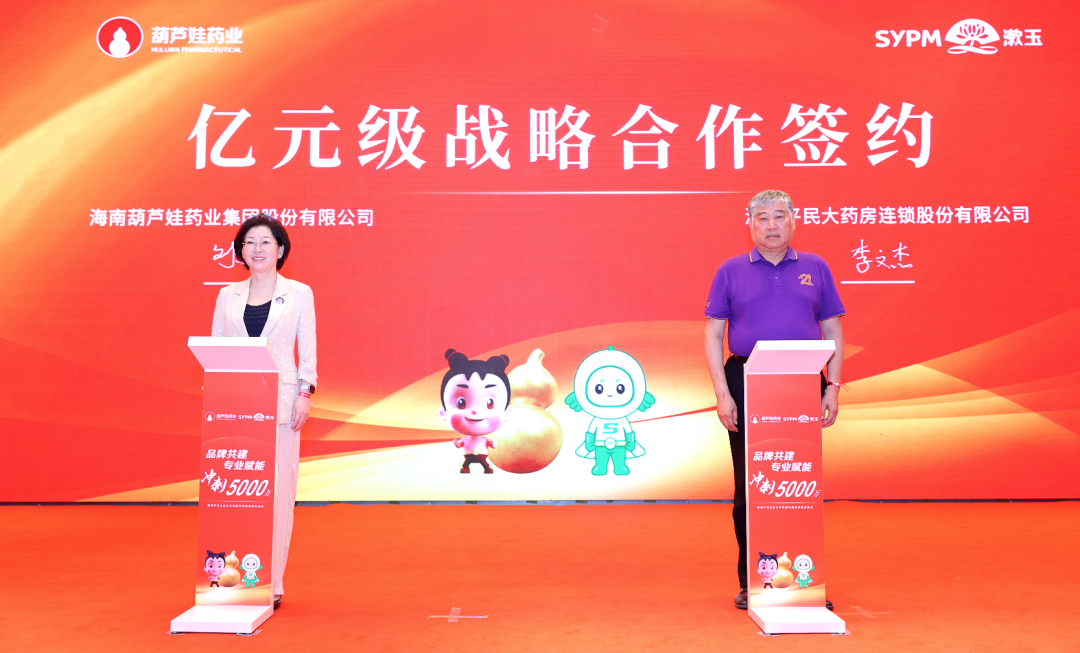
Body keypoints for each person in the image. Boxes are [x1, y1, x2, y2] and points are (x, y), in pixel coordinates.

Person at [703, 190, 844, 610]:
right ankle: (754, 580)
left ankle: (802, 580)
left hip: (802, 380)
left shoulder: (816, 267)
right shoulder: (730, 270)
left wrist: (832, 386)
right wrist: (723, 393)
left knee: (797, 481)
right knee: (751, 485)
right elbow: (713, 335)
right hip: (746, 379)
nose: (771, 225)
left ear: (793, 220)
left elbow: (833, 330)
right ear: (749, 223)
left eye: (779, 216)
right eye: (762, 217)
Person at [211, 214, 317, 610]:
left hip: (281, 404)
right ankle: (231, 577)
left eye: (265, 242)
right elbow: (216, 348)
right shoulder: (227, 295)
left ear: (280, 249)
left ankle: (271, 583)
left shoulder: (299, 293)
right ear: (241, 251)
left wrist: (305, 393)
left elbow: (308, 349)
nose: (257, 249)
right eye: (249, 242)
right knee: (235, 493)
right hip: (235, 406)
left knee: (277, 494)